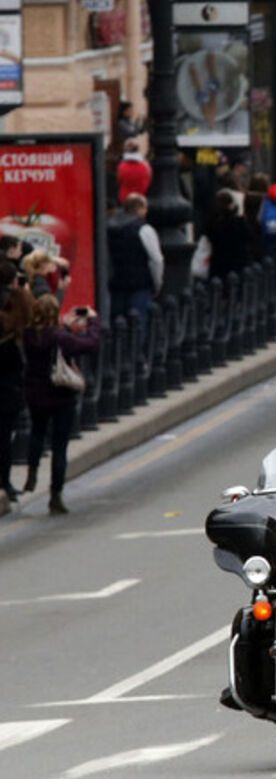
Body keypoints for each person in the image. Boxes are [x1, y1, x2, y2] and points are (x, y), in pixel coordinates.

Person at [23, 297, 100, 514]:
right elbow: (89, 344)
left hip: (35, 394)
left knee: (37, 433)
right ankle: (55, 494)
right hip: (60, 396)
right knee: (59, 446)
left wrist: (65, 324)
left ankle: (32, 471)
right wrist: (93, 321)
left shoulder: (29, 335)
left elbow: (45, 337)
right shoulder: (60, 337)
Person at [107, 193, 163, 329]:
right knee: (138, 324)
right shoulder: (144, 229)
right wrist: (157, 282)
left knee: (118, 324)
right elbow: (156, 260)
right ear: (140, 208)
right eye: (145, 208)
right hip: (140, 283)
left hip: (117, 284)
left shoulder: (110, 228)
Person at [0, 261, 30, 511]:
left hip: (9, 381)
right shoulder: (15, 303)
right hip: (8, 382)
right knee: (4, 435)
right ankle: (5, 481)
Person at [115, 139, 153, 203]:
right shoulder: (145, 165)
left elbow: (119, 180)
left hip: (125, 198)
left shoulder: (122, 166)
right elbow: (149, 179)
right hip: (141, 198)